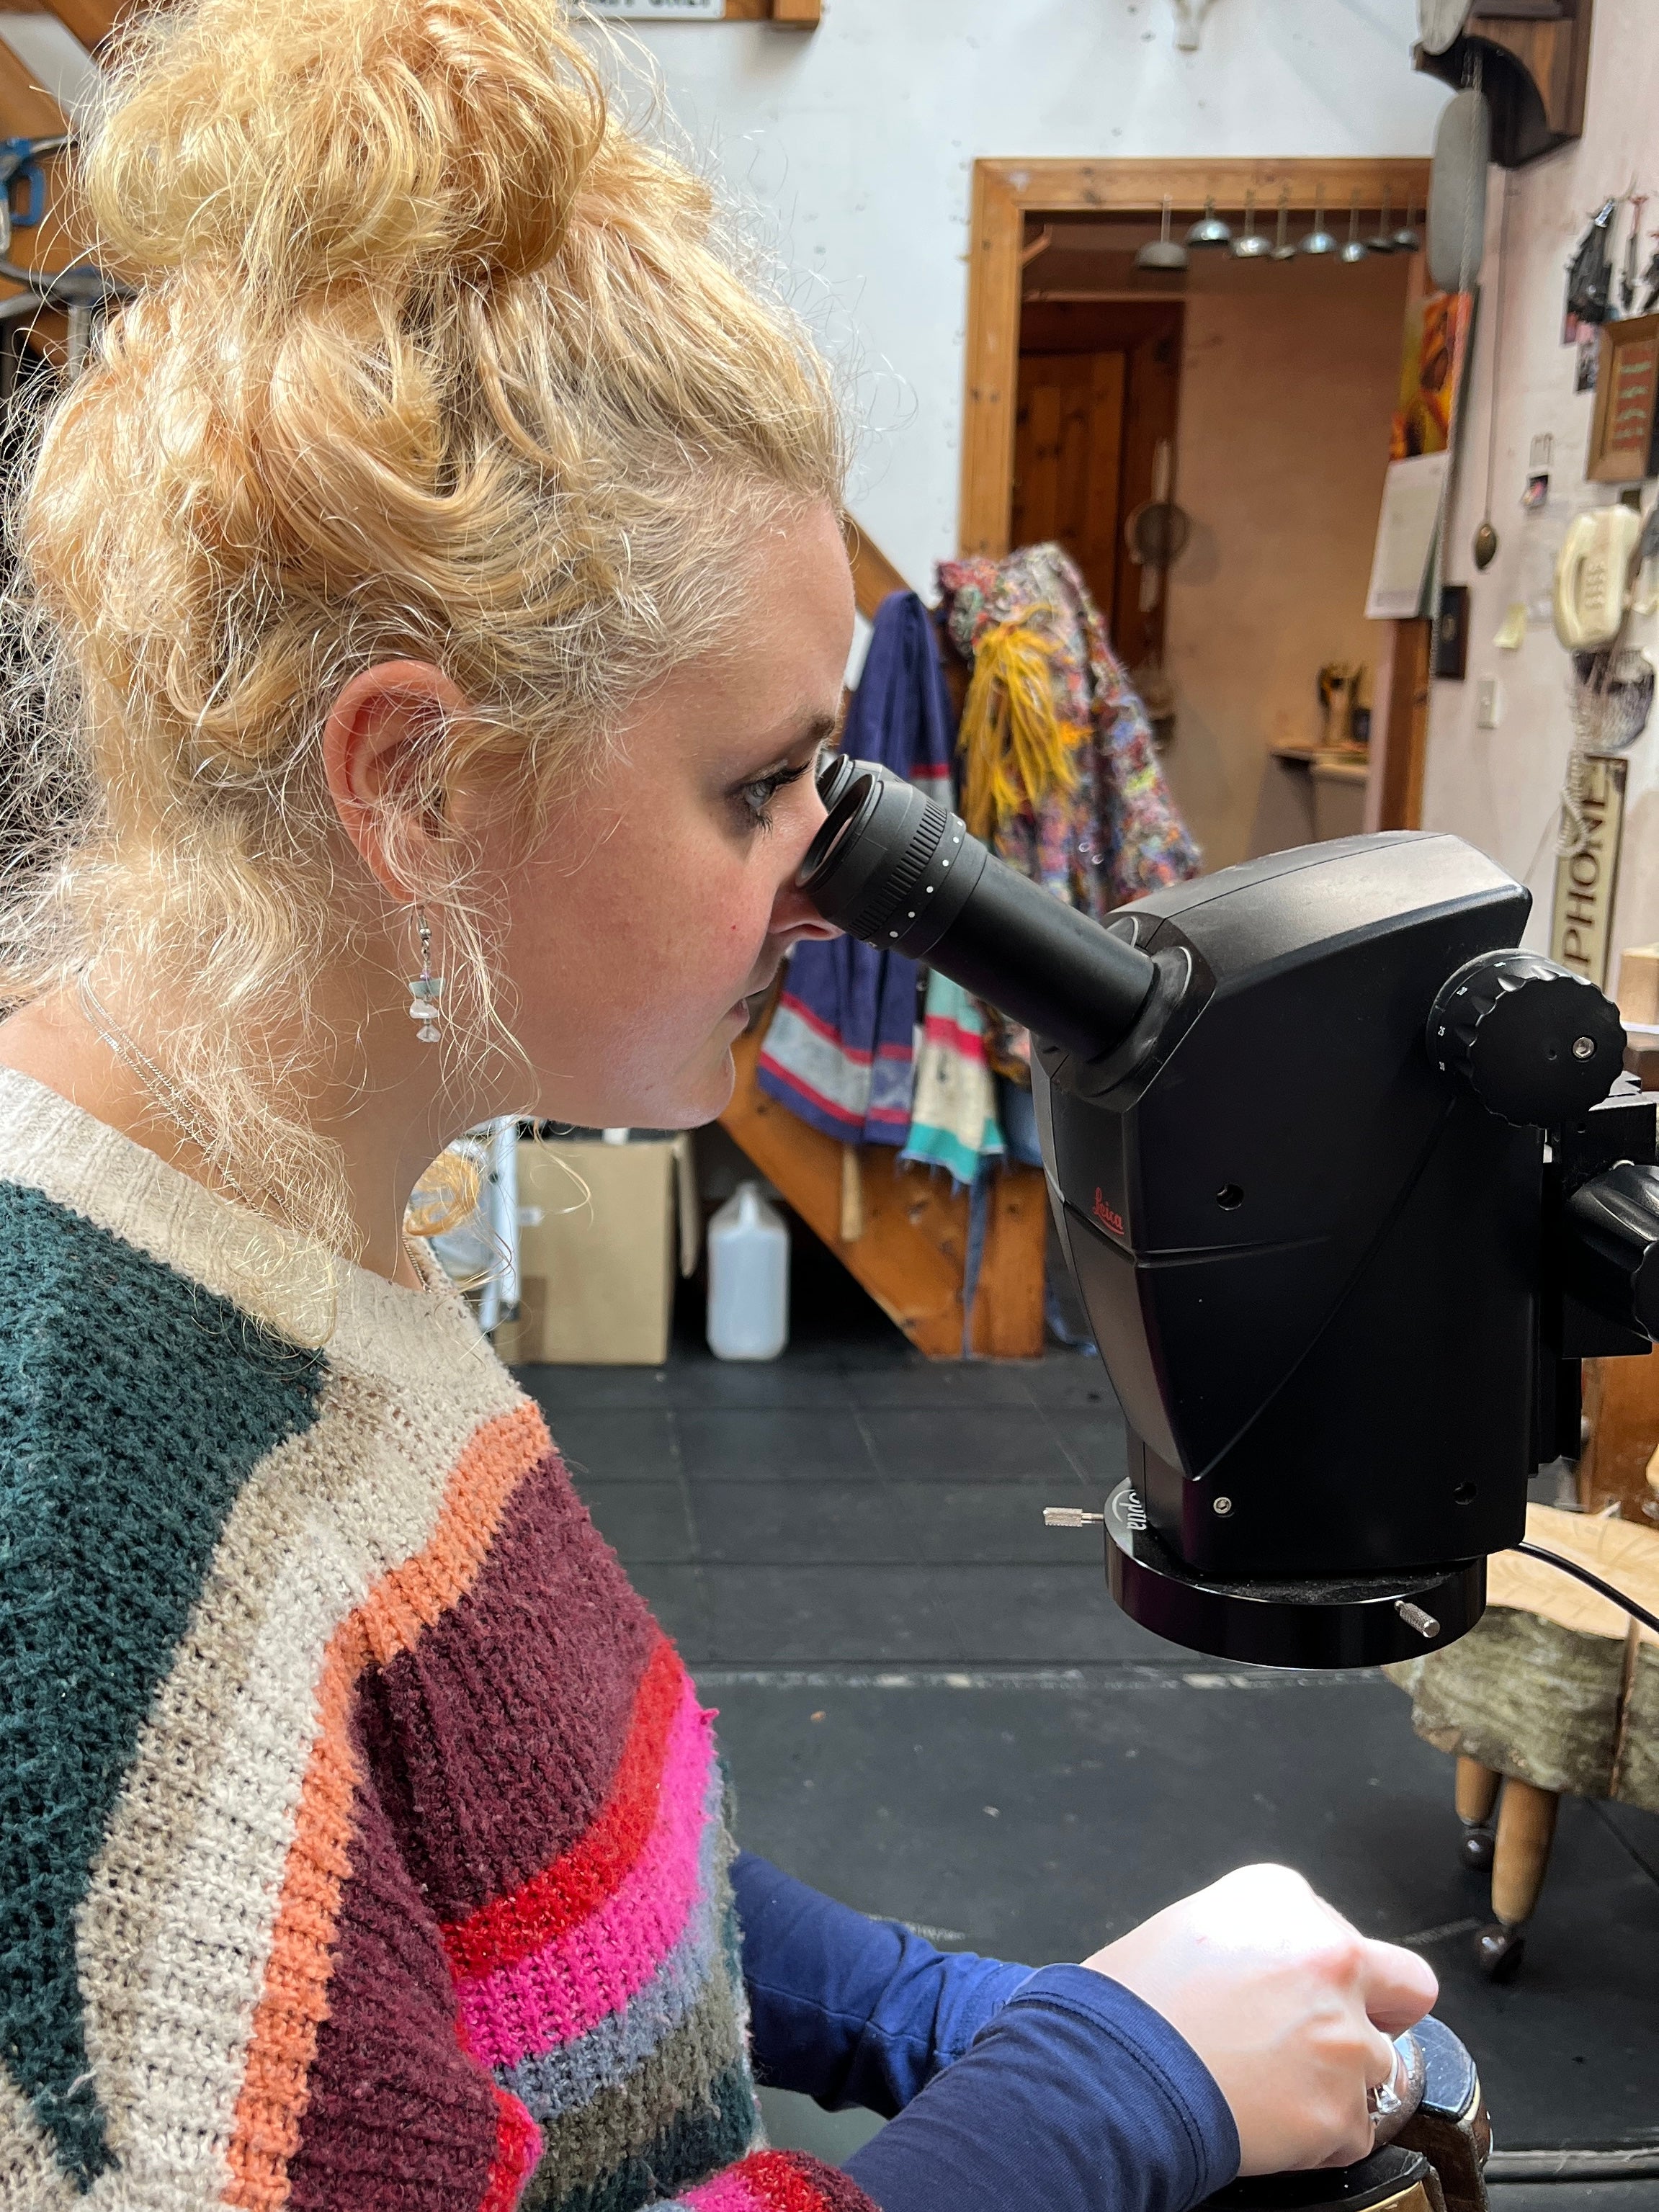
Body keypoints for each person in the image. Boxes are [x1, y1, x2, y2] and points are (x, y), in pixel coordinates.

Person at [0, 1, 1437, 2205]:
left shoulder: (283, 1211)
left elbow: (512, 1849)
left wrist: (922, 2008)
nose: (835, 870)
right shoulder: (64, 1511)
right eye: (763, 785)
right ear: (412, 785)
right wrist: (1105, 2102)